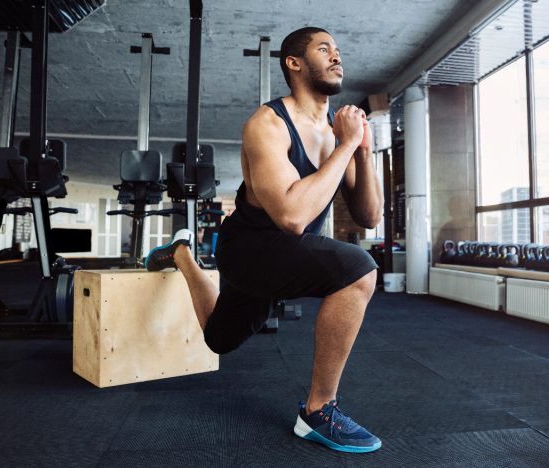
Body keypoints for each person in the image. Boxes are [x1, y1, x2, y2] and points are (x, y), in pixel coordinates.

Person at [145, 26, 383, 453]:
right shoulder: (268, 123)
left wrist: (362, 152)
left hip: (287, 254)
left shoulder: (336, 133)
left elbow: (368, 216)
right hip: (249, 250)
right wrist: (346, 146)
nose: (336, 57)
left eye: (338, 51)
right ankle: (317, 412)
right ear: (294, 63)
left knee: (220, 340)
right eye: (323, 49)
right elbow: (292, 216)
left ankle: (182, 255)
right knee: (359, 269)